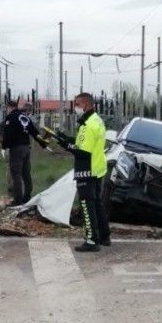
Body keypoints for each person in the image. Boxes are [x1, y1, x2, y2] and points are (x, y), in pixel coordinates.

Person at [59, 93, 110, 252]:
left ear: (86, 105)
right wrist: (67, 139)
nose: (76, 108)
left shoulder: (88, 125)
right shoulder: (96, 120)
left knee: (87, 205)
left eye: (78, 105)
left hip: (87, 170)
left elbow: (82, 152)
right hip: (97, 169)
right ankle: (104, 236)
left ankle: (92, 240)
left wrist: (66, 146)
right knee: (97, 203)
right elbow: (83, 142)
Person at [0, 100, 41, 206]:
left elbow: (7, 134)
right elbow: (34, 132)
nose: (6, 110)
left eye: (7, 108)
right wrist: (43, 143)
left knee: (16, 174)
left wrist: (4, 147)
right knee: (26, 173)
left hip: (16, 149)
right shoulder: (25, 117)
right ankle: (27, 196)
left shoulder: (10, 117)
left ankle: (17, 200)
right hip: (27, 148)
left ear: (9, 107)